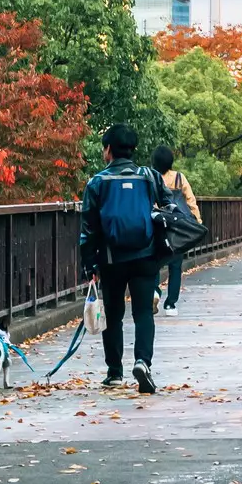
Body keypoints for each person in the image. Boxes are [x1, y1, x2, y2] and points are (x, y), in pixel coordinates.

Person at [78, 123, 171, 393]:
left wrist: (89, 264)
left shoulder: (97, 183)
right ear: (132, 150)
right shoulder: (150, 177)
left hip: (111, 258)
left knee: (114, 315)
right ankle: (143, 362)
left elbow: (88, 229)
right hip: (145, 255)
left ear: (108, 150)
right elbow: (169, 206)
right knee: (143, 313)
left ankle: (114, 372)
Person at [150, 143, 199, 311]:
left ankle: (155, 292)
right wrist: (196, 223)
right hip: (177, 227)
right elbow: (191, 201)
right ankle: (171, 304)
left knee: (155, 262)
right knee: (175, 266)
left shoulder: (151, 177)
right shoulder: (179, 178)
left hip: (157, 225)